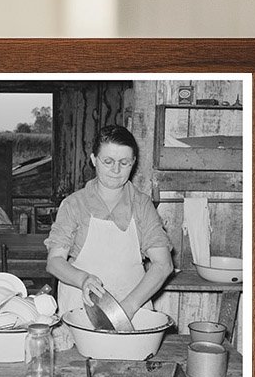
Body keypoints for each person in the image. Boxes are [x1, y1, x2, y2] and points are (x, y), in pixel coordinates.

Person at [45, 124, 173, 322]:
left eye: (124, 162)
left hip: (133, 309)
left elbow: (163, 264)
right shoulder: (74, 204)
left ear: (133, 162)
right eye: (108, 161)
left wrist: (125, 310)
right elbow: (54, 261)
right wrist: (83, 279)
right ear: (94, 160)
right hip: (80, 310)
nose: (116, 170)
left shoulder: (142, 205)